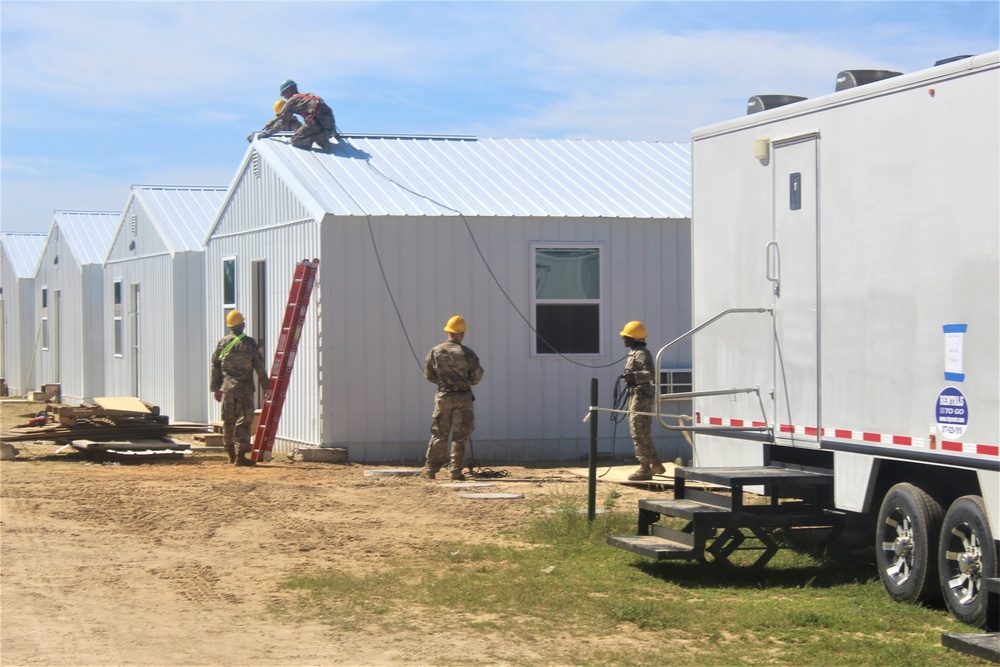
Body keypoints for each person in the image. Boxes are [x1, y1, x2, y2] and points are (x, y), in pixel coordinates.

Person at [422, 316, 484, 481]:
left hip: (444, 396)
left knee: (439, 434)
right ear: (462, 333)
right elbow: (477, 377)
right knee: (460, 435)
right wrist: (463, 382)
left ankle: (431, 471)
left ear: (448, 331)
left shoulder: (435, 351)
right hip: (463, 398)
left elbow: (429, 375)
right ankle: (455, 471)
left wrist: (444, 383)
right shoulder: (468, 353)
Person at [210, 310, 271, 467]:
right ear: (243, 325)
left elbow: (215, 366)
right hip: (244, 389)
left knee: (228, 420)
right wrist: (266, 387)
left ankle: (230, 454)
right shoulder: (249, 343)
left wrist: (216, 388)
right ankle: (240, 456)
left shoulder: (223, 342)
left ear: (230, 326)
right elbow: (259, 366)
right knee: (244, 420)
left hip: (227, 389)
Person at [619, 320, 666, 481]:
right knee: (641, 431)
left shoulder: (642, 354)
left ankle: (645, 469)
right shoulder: (635, 352)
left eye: (626, 336)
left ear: (633, 338)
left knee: (639, 431)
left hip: (641, 396)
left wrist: (634, 376)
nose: (624, 339)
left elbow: (652, 374)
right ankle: (656, 464)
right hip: (636, 394)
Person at [275, 79, 337, 152]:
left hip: (316, 122)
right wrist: (334, 132)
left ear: (289, 90)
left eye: (284, 94)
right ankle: (323, 137)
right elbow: (326, 113)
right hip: (329, 124)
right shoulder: (309, 96)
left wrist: (268, 133)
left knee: (295, 140)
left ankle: (320, 138)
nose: (284, 97)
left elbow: (282, 120)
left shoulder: (292, 101)